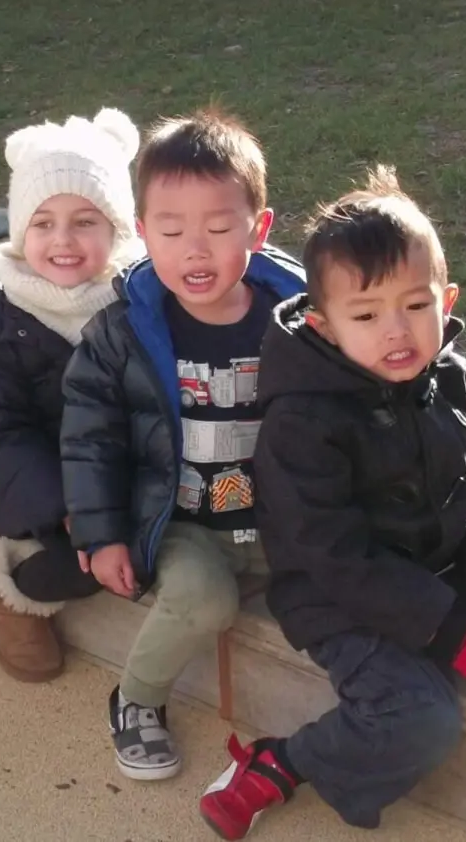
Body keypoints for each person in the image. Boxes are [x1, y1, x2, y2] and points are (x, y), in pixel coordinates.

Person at [196, 166, 466, 839]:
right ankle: (286, 761)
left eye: (416, 306)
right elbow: (331, 554)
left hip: (438, 571)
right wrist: (446, 628)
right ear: (324, 326)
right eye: (366, 314)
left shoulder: (443, 377)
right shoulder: (302, 421)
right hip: (340, 600)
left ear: (446, 299)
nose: (398, 331)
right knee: (422, 719)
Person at [62, 109, 307, 780]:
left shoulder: (302, 321)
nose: (194, 251)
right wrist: (101, 534)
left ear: (259, 228)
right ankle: (136, 699)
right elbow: (90, 436)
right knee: (205, 599)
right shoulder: (122, 333)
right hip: (181, 521)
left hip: (285, 521)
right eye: (171, 231)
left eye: (220, 229)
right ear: (143, 234)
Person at [0, 108, 146, 682]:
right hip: (48, 484)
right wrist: (67, 507)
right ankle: (11, 592)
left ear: (118, 228)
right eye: (42, 223)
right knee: (77, 566)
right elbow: (1, 429)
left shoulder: (138, 302)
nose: (62, 240)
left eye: (86, 220)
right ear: (20, 230)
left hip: (128, 469)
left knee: (157, 547)